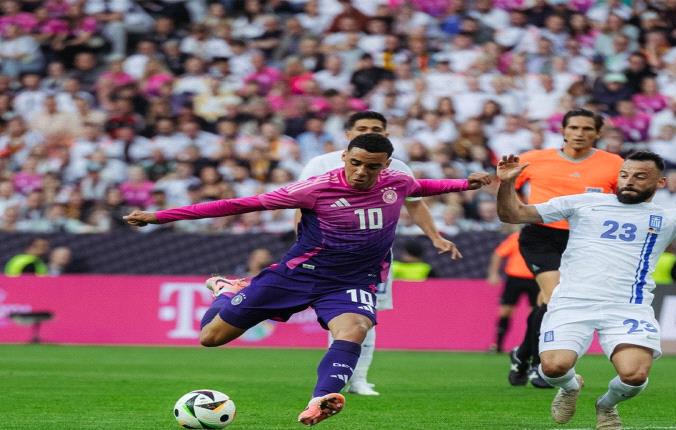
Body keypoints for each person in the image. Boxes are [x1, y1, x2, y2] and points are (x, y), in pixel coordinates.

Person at [124, 133, 493, 426]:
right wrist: (159, 216)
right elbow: (237, 205)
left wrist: (467, 184)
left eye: (372, 166)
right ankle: (227, 288)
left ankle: (320, 399)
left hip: (353, 280)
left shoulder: (397, 182)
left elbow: (424, 186)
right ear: (344, 157)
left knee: (355, 328)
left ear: (385, 166)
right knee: (210, 338)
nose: (362, 172)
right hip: (297, 275)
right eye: (355, 163)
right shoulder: (314, 188)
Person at [495, 150, 676, 429]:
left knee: (635, 374)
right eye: (624, 175)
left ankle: (606, 405)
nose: (629, 181)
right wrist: (507, 183)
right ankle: (570, 387)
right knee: (553, 368)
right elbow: (513, 214)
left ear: (660, 183)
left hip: (628, 306)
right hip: (571, 302)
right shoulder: (584, 203)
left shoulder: (669, 218)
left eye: (640, 176)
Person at [297, 111, 460, 396]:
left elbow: (416, 204)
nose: (369, 132)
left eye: (376, 128)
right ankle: (340, 377)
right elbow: (301, 206)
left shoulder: (398, 168)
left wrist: (435, 236)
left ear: (386, 134)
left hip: (373, 258)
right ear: (348, 134)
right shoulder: (320, 164)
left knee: (365, 316)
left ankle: (358, 378)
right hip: (327, 254)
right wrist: (302, 246)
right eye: (362, 128)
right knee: (339, 316)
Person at [508, 109, 623, 388]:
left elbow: (624, 200)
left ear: (598, 133)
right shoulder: (533, 159)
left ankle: (522, 354)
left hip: (586, 240)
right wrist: (520, 209)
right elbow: (507, 186)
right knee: (556, 298)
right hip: (542, 236)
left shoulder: (614, 163)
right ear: (563, 130)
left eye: (587, 129)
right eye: (573, 128)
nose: (579, 133)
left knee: (545, 302)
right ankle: (541, 366)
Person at [486, 231, 539, 353]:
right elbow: (498, 254)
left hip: (536, 279)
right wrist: (493, 273)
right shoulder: (517, 237)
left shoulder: (544, 237)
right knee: (505, 311)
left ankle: (532, 346)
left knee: (535, 314)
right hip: (515, 279)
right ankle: (497, 345)